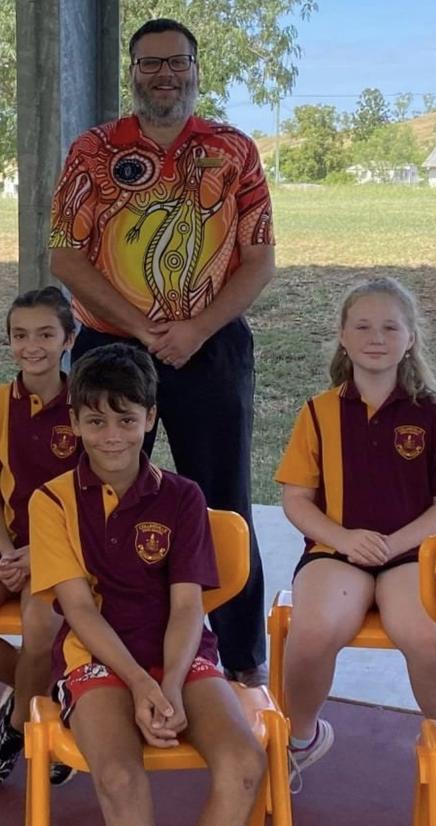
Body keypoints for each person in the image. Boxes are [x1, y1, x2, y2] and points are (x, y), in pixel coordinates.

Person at [48, 17, 275, 685]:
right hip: (113, 350)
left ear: (197, 69)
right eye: (150, 63)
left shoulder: (234, 150)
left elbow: (259, 260)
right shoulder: (92, 150)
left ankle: (242, 667)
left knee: (223, 501)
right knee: (104, 501)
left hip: (211, 347)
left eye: (177, 61)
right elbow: (66, 255)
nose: (164, 74)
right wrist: (144, 329)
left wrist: (197, 328)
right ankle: (89, 668)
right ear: (133, 71)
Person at [29, 344, 265, 826]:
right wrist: (141, 684)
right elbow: (80, 612)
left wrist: (172, 686)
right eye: (95, 420)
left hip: (184, 658)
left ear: (150, 417)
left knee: (245, 763)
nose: (111, 435)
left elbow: (187, 609)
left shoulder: (183, 497)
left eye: (126, 418)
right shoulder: (50, 501)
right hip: (96, 659)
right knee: (118, 776)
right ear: (75, 420)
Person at [275, 276, 436, 787]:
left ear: (410, 339)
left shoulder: (433, 414)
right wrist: (344, 538)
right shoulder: (318, 413)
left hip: (409, 555)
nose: (375, 336)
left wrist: (394, 543)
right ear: (342, 335)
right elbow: (296, 500)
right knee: (311, 633)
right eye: (362, 325)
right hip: (336, 551)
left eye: (389, 327)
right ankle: (301, 738)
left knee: (428, 637)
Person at [0, 286, 81, 785]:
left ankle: (15, 728)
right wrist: (6, 550)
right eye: (20, 336)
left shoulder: (86, 408)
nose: (33, 346)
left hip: (64, 551)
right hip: (11, 546)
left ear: (69, 339)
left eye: (46, 334)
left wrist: (40, 552)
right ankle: (47, 697)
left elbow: (96, 498)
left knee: (40, 625)